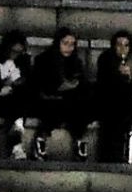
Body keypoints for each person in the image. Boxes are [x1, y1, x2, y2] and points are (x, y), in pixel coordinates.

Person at [29, 27, 91, 160]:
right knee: (56, 106)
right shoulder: (43, 59)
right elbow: (38, 85)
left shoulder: (76, 62)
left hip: (70, 100)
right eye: (65, 43)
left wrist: (74, 86)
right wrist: (59, 88)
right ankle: (41, 140)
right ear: (58, 43)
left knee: (80, 105)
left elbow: (83, 84)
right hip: (47, 98)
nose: (69, 47)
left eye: (72, 44)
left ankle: (80, 141)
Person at [92, 29, 132, 164]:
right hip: (108, 100)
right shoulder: (105, 59)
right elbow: (103, 84)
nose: (122, 49)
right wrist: (116, 74)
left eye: (126, 45)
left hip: (126, 101)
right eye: (119, 44)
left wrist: (129, 77)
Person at [0, 30, 35, 157]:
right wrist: (0, 90)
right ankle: (16, 142)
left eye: (19, 52)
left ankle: (16, 143)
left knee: (18, 101)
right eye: (13, 52)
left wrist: (16, 83)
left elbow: (28, 84)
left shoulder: (22, 61)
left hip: (13, 100)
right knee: (16, 105)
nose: (15, 55)